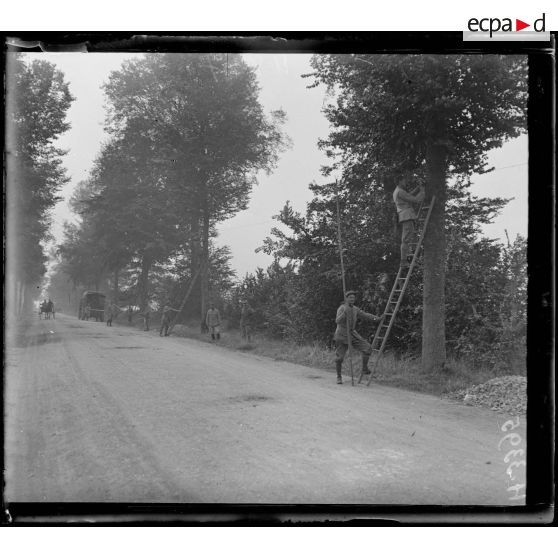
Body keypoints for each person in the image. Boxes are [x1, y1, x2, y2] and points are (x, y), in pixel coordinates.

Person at [334, 290, 382, 384]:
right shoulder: (342, 308)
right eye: (350, 297)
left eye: (353, 298)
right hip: (342, 335)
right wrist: (344, 313)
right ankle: (339, 377)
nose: (352, 299)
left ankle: (364, 368)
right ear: (346, 299)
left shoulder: (355, 309)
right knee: (339, 358)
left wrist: (377, 318)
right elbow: (337, 321)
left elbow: (365, 315)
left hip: (352, 334)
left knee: (367, 348)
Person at [392, 174, 425, 268]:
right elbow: (416, 200)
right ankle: (403, 261)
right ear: (399, 181)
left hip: (406, 215)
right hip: (406, 215)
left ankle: (408, 260)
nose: (405, 182)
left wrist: (418, 188)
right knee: (406, 239)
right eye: (403, 180)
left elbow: (408, 195)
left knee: (408, 238)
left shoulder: (398, 191)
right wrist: (422, 190)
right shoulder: (400, 192)